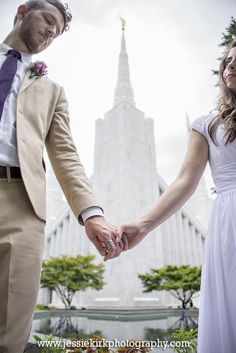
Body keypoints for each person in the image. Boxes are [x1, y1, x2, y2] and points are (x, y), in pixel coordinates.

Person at [0, 1, 119, 352]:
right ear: (23, 11)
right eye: (48, 19)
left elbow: (66, 154)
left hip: (21, 203)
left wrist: (91, 214)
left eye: (58, 30)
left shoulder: (52, 91)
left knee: (9, 330)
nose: (52, 31)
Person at [116, 41, 236, 353]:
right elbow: (185, 180)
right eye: (228, 61)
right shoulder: (207, 126)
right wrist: (142, 225)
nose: (230, 66)